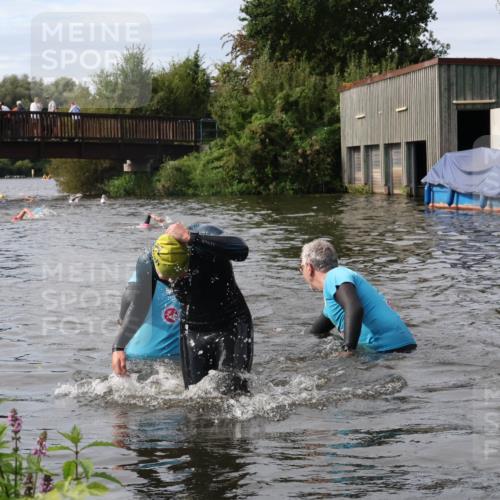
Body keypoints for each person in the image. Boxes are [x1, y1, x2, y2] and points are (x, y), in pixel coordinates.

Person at [112, 223, 253, 392]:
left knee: (233, 391)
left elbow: (241, 250)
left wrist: (191, 237)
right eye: (168, 279)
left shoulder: (203, 244)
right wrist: (118, 347)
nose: (175, 282)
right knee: (195, 398)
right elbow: (140, 304)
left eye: (180, 275)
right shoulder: (148, 261)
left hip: (231, 325)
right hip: (192, 330)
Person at [300, 239, 416, 355]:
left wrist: (348, 350)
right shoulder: (336, 292)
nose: (301, 271)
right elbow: (317, 331)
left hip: (387, 349)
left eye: (301, 267)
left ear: (309, 267)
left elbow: (354, 307)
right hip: (401, 348)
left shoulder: (335, 275)